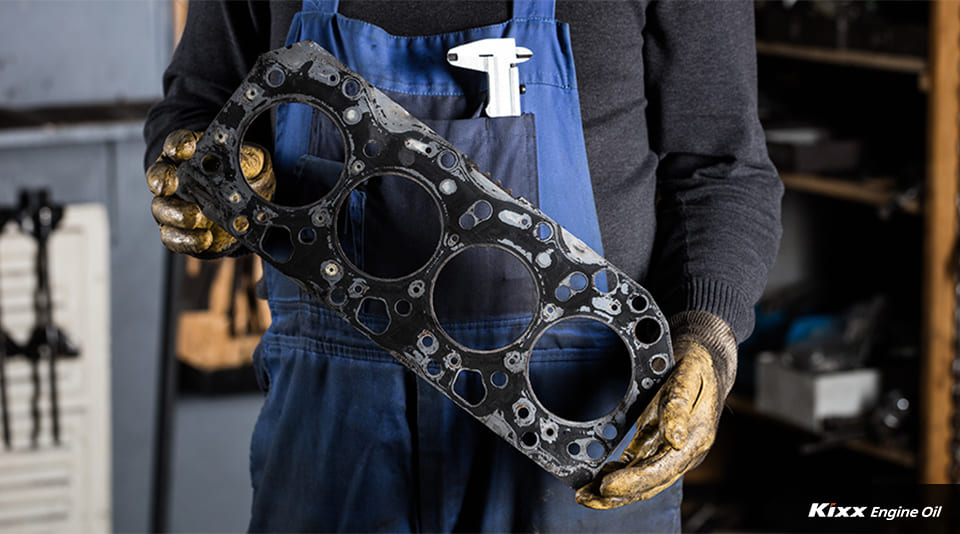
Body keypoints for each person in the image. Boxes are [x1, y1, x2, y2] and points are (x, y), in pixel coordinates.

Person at [144, 1, 782, 531]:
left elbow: (722, 168)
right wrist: (205, 180)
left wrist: (709, 335)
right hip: (331, 419)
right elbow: (202, 100)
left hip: (575, 419)